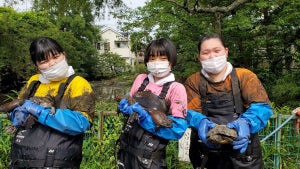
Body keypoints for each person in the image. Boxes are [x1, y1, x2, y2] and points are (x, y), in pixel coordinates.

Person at [184, 33, 273, 169]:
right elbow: (188, 111)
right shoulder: (193, 81)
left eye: (216, 51)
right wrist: (199, 121)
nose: (212, 56)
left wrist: (246, 123)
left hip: (244, 152)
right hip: (207, 152)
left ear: (226, 51)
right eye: (206, 53)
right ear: (199, 57)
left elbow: (262, 106)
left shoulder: (245, 76)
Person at [7, 37, 95, 168]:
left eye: (55, 57)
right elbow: (17, 108)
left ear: (64, 55)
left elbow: (82, 123)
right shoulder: (34, 82)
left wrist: (42, 113)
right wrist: (16, 115)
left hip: (58, 160)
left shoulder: (78, 83)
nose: (52, 63)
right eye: (44, 61)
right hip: (22, 159)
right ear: (36, 66)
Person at [117, 38, 188, 169]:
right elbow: (130, 98)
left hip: (150, 159)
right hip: (125, 151)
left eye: (162, 58)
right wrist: (124, 104)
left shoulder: (176, 88)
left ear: (171, 61)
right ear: (147, 61)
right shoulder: (140, 79)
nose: (156, 62)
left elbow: (178, 130)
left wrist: (146, 120)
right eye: (152, 58)